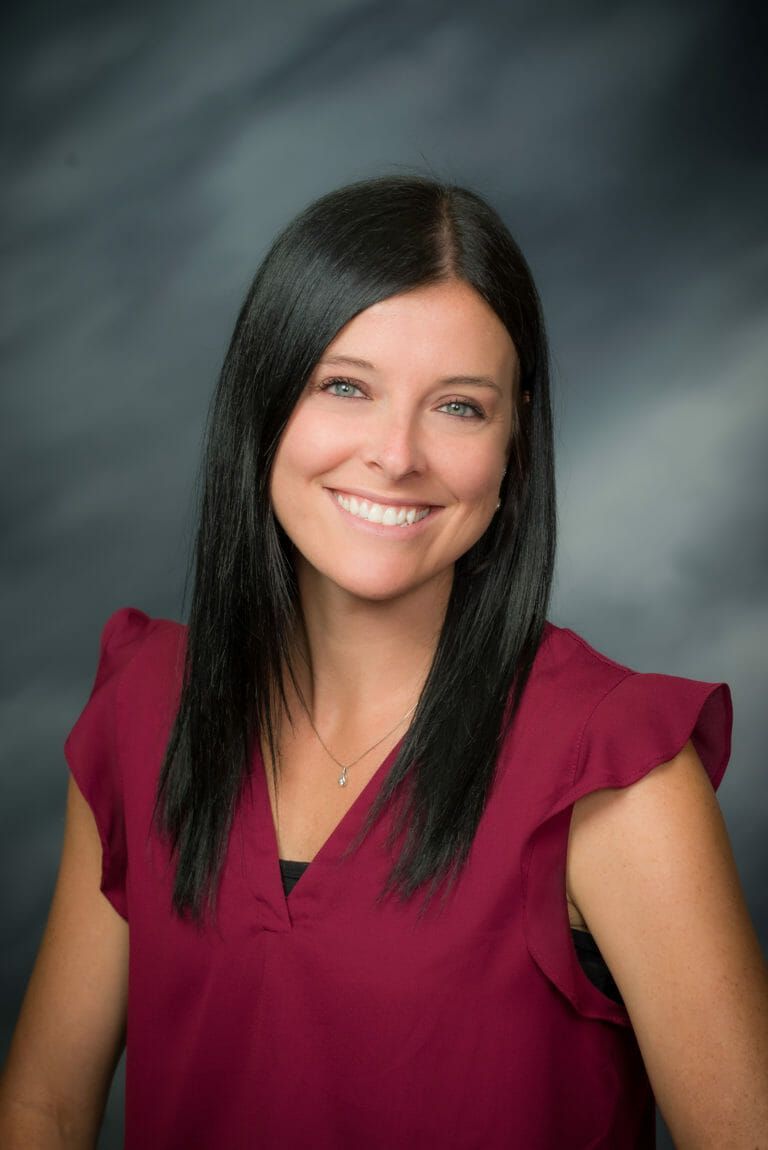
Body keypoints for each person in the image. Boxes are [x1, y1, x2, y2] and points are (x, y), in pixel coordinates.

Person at [1, 174, 766, 1149]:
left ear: (514, 447)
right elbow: (44, 1108)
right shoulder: (144, 707)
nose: (396, 454)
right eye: (346, 387)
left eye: (458, 406)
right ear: (265, 399)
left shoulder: (615, 772)